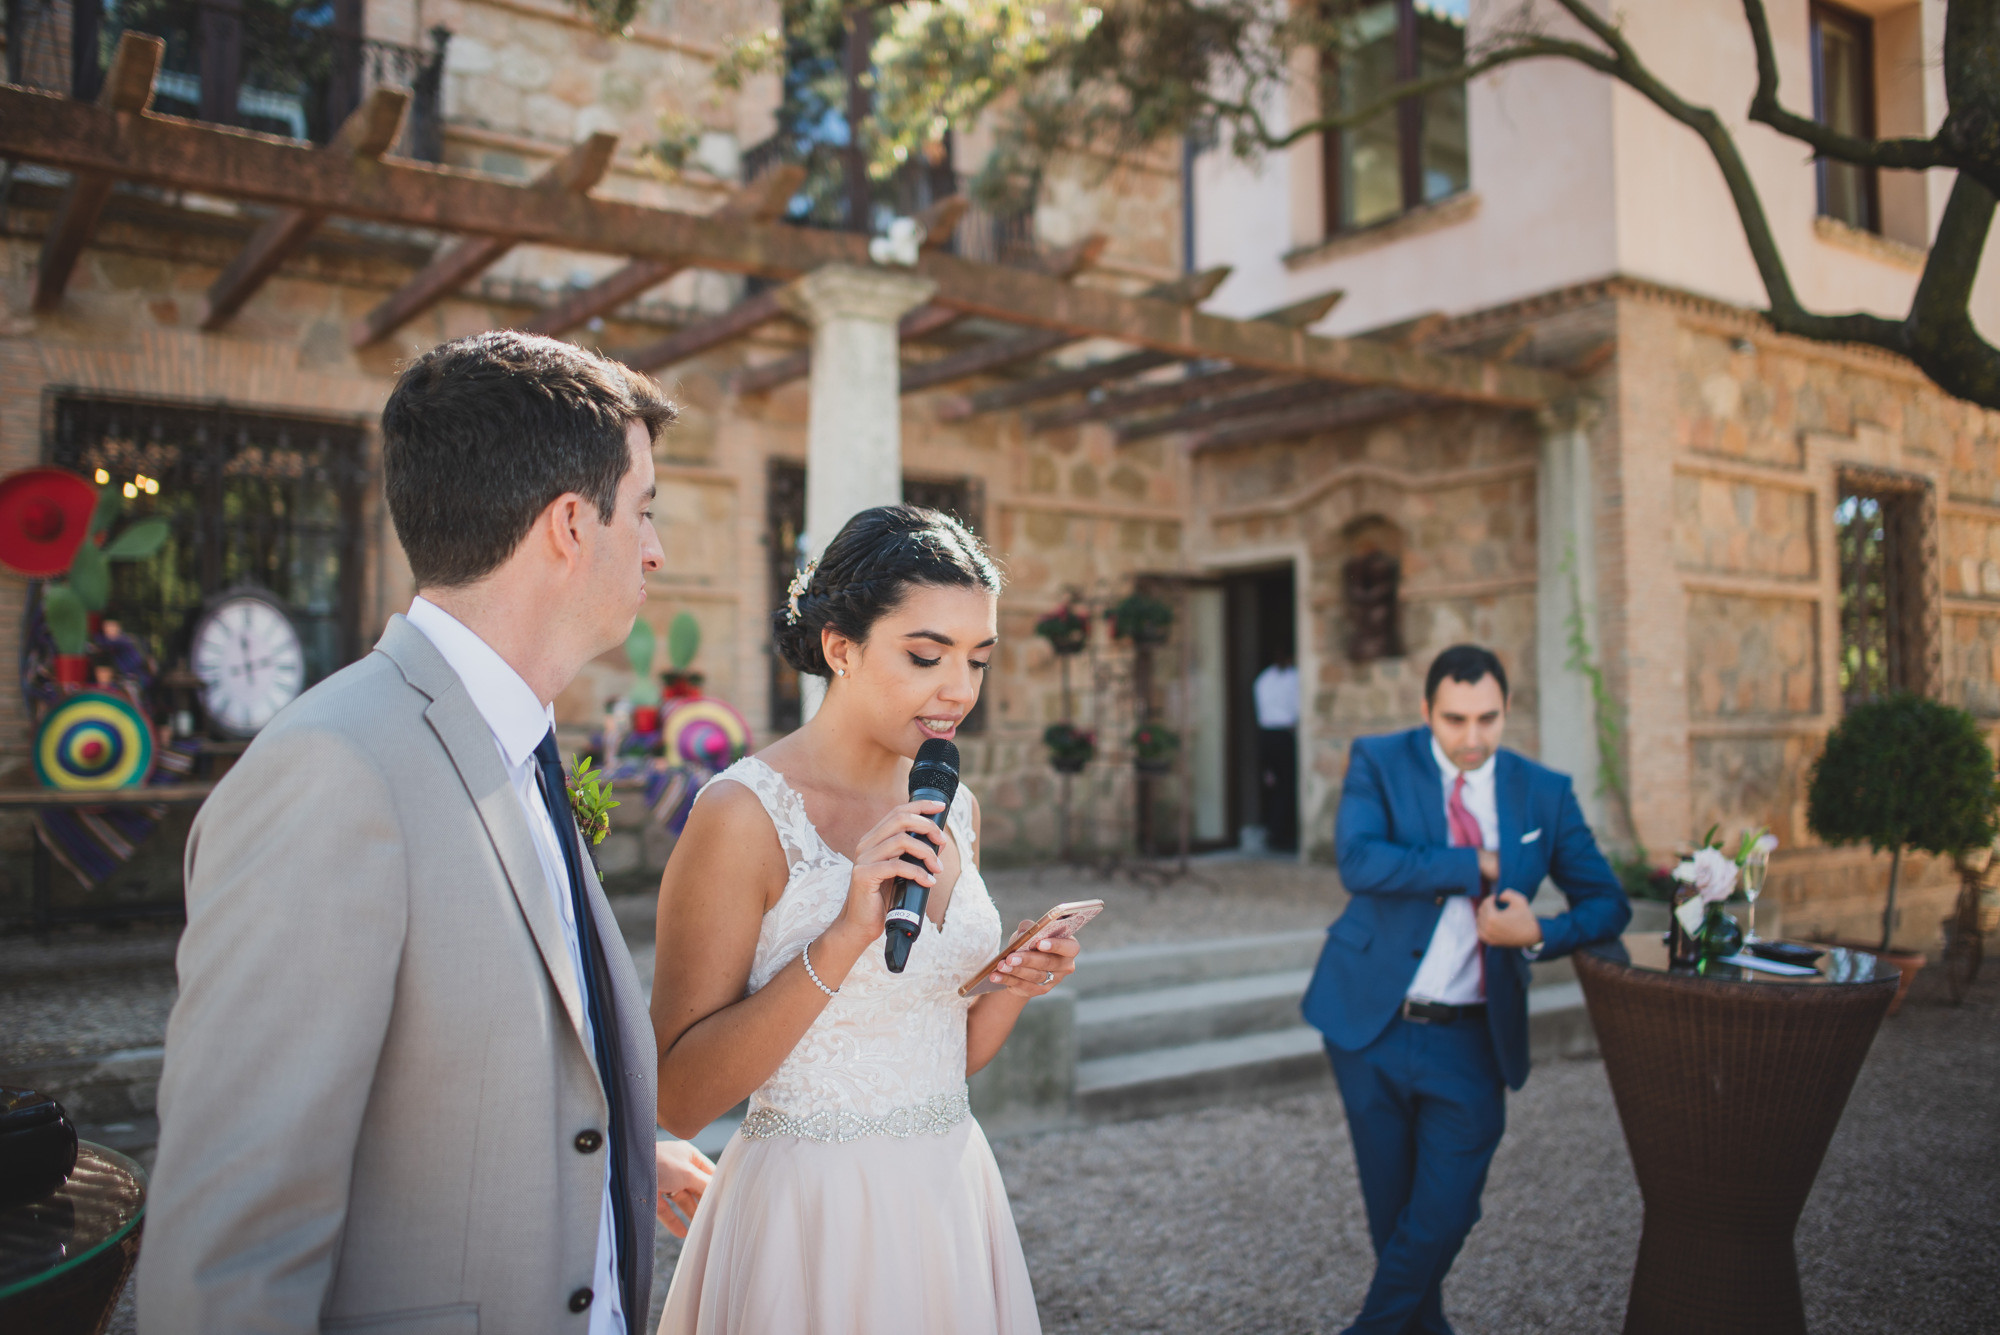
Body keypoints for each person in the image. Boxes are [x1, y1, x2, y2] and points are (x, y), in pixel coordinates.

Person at [138, 331, 715, 1333]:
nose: (657, 548)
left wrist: (606, 1148)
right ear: (571, 525)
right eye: (646, 508)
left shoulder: (517, 740)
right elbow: (234, 1244)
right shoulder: (334, 772)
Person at [652, 504, 1074, 1335]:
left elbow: (938, 1054)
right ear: (840, 648)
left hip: (949, 1189)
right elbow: (678, 1095)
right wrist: (845, 935)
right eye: (926, 655)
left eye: (978, 660)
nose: (959, 689)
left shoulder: (954, 806)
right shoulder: (742, 814)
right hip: (808, 1216)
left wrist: (1013, 986)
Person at [1302, 644, 1630, 1335]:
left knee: (1446, 1211)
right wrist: (1479, 860)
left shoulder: (1543, 791)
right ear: (1427, 712)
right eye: (1455, 719)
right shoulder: (1380, 760)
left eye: (1488, 718)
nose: (1473, 737)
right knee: (1394, 1217)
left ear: (1507, 711)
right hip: (1371, 1026)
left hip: (1474, 1037)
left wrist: (1537, 931)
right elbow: (1360, 860)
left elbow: (1608, 902)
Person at [1252, 649, 1300, 852]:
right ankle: (1280, 834)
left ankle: (1277, 831)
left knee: (1276, 783)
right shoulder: (1291, 678)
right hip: (1282, 732)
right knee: (1284, 784)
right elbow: (1295, 707)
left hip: (1268, 733)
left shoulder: (1263, 680)